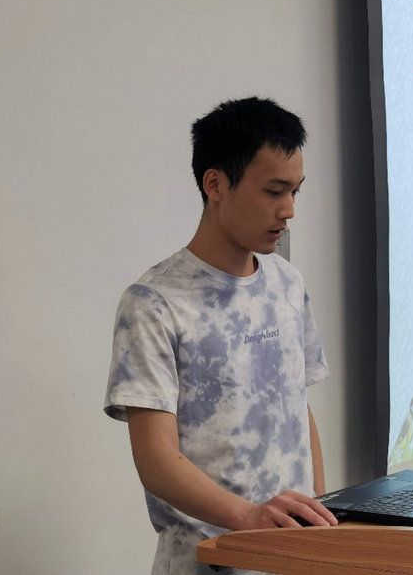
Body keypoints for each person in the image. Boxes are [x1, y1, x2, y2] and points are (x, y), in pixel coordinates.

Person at [103, 96, 338, 575]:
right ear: (215, 185)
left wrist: (320, 512)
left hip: (292, 559)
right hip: (207, 561)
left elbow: (297, 407)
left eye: (295, 191)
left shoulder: (287, 283)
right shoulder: (154, 303)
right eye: (273, 191)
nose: (289, 210)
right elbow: (156, 458)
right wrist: (247, 517)